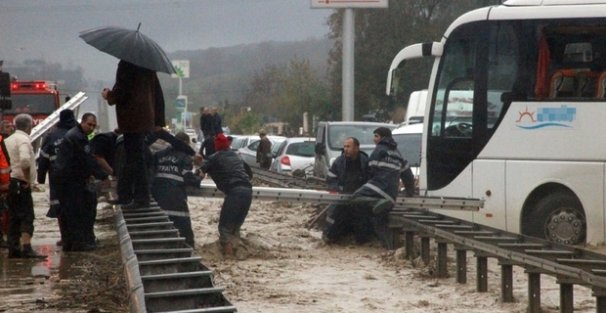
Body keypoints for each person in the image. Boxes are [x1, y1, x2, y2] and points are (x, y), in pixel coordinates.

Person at [102, 60, 165, 208]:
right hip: (145, 119)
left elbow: (123, 92)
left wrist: (108, 95)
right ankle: (127, 195)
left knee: (135, 160)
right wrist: (158, 121)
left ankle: (140, 198)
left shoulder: (126, 64)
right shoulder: (149, 66)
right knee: (135, 159)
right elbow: (158, 94)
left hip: (131, 119)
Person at [55, 113, 108, 251]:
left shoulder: (77, 135)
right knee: (80, 212)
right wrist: (103, 175)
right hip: (72, 181)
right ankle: (80, 243)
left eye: (93, 126)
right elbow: (87, 160)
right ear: (82, 122)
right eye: (89, 124)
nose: (91, 128)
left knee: (72, 212)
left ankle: (72, 243)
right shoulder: (77, 137)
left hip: (69, 180)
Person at [348, 127, 411, 246]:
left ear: (383, 137)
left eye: (376, 136)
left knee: (354, 198)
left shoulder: (379, 150)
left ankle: (378, 202)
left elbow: (369, 172)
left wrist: (363, 187)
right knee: (379, 220)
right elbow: (408, 174)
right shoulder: (398, 153)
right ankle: (390, 247)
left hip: (378, 188)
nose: (374, 139)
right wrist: (410, 193)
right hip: (392, 193)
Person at [198, 133, 252, 256]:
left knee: (224, 229)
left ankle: (229, 259)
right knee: (235, 229)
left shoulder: (214, 158)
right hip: (248, 192)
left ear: (216, 146)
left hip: (234, 193)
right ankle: (239, 253)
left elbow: (200, 173)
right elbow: (250, 174)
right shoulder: (237, 156)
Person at [151, 132, 202, 247]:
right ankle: (188, 251)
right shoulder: (184, 157)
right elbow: (189, 179)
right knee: (184, 230)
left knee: (160, 228)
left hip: (157, 198)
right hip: (176, 199)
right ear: (184, 143)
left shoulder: (158, 155)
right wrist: (199, 176)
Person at [5, 114, 45, 258]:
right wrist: (28, 179)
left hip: (10, 183)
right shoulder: (24, 140)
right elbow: (25, 161)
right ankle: (27, 247)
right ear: (29, 126)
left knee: (13, 216)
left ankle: (13, 248)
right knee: (27, 215)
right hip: (21, 183)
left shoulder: (7, 140)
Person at [37, 110, 77, 247]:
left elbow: (43, 158)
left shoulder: (51, 135)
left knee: (60, 207)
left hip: (57, 178)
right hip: (77, 177)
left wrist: (41, 178)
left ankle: (65, 237)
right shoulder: (78, 132)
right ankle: (78, 236)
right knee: (78, 205)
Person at [322, 137, 371, 244]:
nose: (345, 149)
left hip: (359, 200)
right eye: (344, 146)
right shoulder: (339, 162)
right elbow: (330, 179)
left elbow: (370, 180)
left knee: (362, 230)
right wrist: (338, 189)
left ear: (357, 148)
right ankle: (331, 237)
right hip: (341, 199)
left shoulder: (365, 162)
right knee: (332, 225)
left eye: (348, 146)